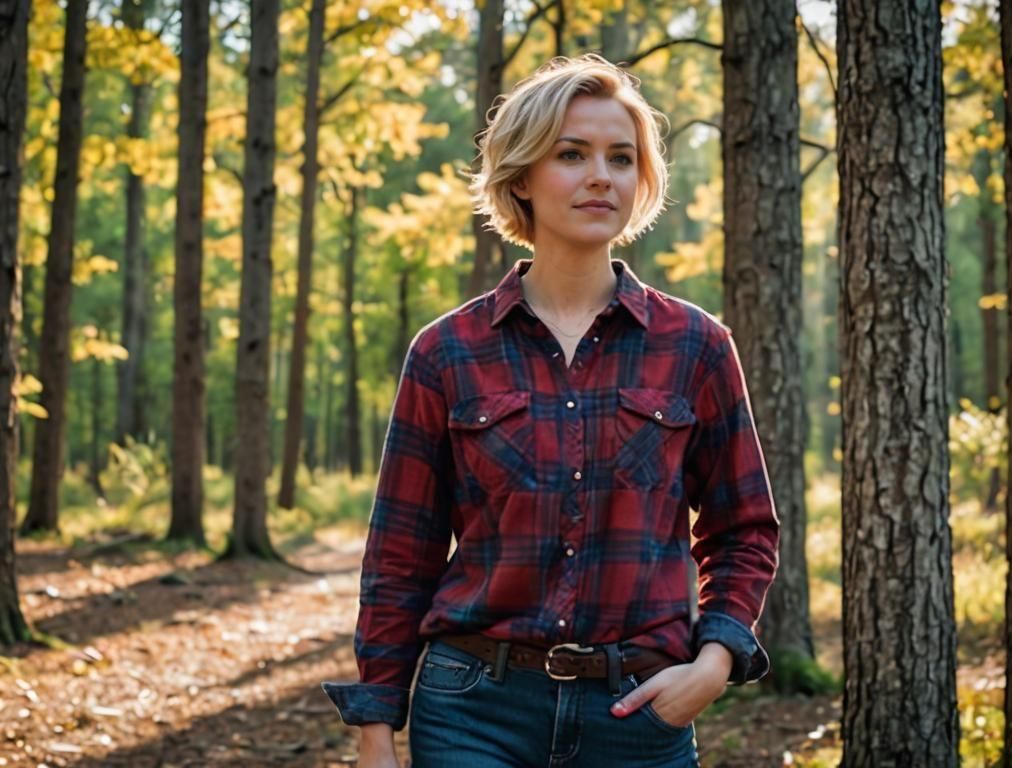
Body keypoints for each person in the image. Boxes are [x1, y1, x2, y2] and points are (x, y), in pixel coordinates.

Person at [322, 53, 780, 768]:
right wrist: (376, 726)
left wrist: (715, 662)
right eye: (573, 154)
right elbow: (400, 556)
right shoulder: (447, 352)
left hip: (639, 715)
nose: (602, 175)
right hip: (473, 711)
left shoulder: (696, 347)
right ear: (522, 178)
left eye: (621, 158)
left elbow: (744, 527)